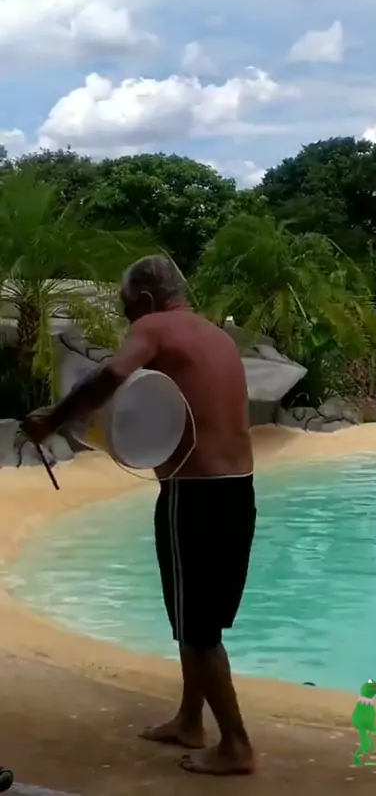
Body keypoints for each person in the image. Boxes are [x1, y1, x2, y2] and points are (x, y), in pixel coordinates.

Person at [21, 255, 257, 777]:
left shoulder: (154, 327)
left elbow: (111, 374)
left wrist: (54, 419)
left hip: (193, 496)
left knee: (198, 629)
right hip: (238, 492)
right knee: (196, 618)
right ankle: (190, 719)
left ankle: (236, 744)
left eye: (128, 309)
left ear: (146, 300)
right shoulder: (215, 336)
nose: (130, 320)